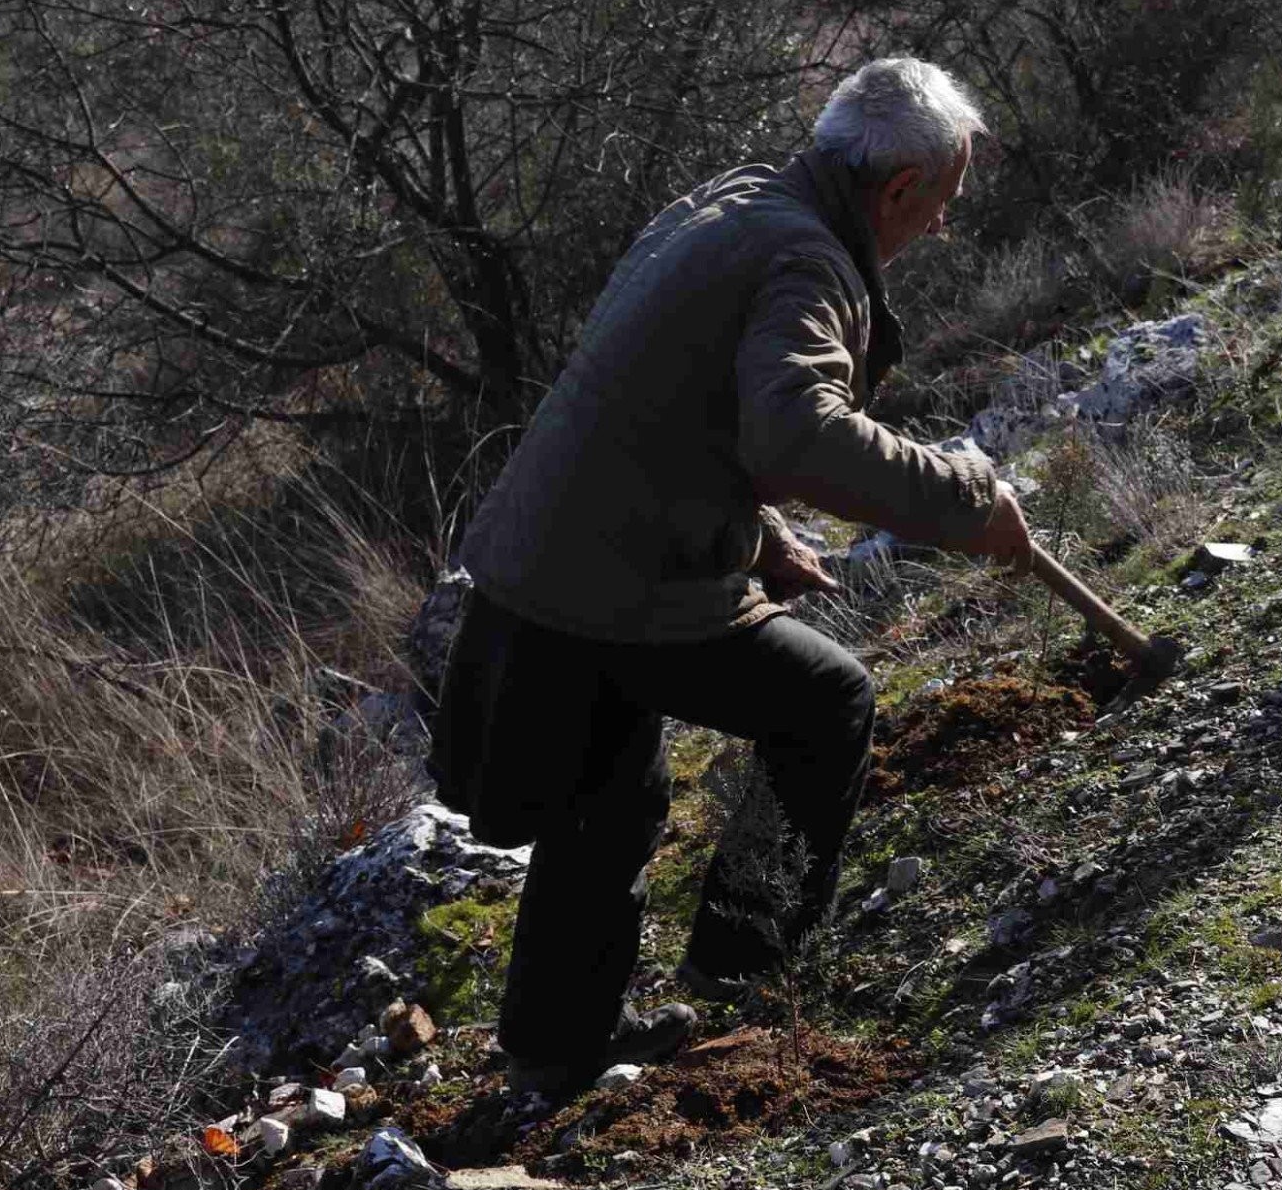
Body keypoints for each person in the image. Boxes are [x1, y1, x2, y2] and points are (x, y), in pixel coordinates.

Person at [430, 57, 1035, 1098]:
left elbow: (667, 400)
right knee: (826, 701)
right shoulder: (806, 260)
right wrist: (965, 499)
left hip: (545, 555)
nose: (939, 226)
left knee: (604, 795)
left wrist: (754, 539)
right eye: (940, 203)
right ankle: (743, 972)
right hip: (617, 577)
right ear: (896, 190)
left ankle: (552, 1049)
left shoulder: (727, 203)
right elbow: (796, 432)